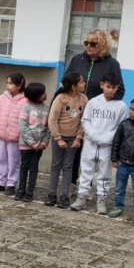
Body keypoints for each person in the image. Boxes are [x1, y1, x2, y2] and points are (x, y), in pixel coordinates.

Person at [64, 28, 125, 186]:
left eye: (93, 43)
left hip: (97, 116)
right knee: (75, 147)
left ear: (103, 46)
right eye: (86, 43)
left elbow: (119, 91)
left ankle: (88, 185)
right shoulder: (77, 59)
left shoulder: (112, 64)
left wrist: (102, 105)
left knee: (91, 152)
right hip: (75, 111)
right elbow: (66, 82)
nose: (88, 46)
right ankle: (71, 183)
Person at [71, 70, 126, 214]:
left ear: (117, 87)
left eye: (113, 87)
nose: (110, 90)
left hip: (107, 145)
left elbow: (120, 127)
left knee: (104, 172)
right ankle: (81, 196)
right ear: (102, 85)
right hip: (91, 142)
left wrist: (108, 138)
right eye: (108, 86)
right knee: (85, 170)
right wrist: (92, 134)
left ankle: (101, 200)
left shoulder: (121, 106)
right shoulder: (93, 102)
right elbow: (85, 120)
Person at [45, 72, 87, 208]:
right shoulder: (60, 98)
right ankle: (52, 194)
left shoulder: (84, 99)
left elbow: (84, 120)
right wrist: (58, 138)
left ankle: (65, 196)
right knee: (56, 165)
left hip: (73, 139)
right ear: (74, 86)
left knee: (68, 166)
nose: (84, 84)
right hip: (59, 137)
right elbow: (52, 119)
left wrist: (78, 138)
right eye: (81, 82)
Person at [0, 73, 26, 196]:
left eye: (11, 83)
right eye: (7, 83)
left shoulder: (25, 100)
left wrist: (21, 132)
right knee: (1, 159)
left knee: (13, 161)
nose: (7, 86)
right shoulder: (2, 97)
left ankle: (11, 183)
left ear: (19, 85)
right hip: (2, 134)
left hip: (15, 137)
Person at [16, 82, 50, 202]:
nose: (45, 95)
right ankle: (21, 190)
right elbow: (22, 127)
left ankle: (29, 192)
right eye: (42, 93)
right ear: (36, 95)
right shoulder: (26, 107)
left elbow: (48, 128)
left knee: (34, 168)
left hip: (39, 147)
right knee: (24, 166)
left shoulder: (46, 108)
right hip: (26, 145)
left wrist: (44, 142)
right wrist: (33, 143)